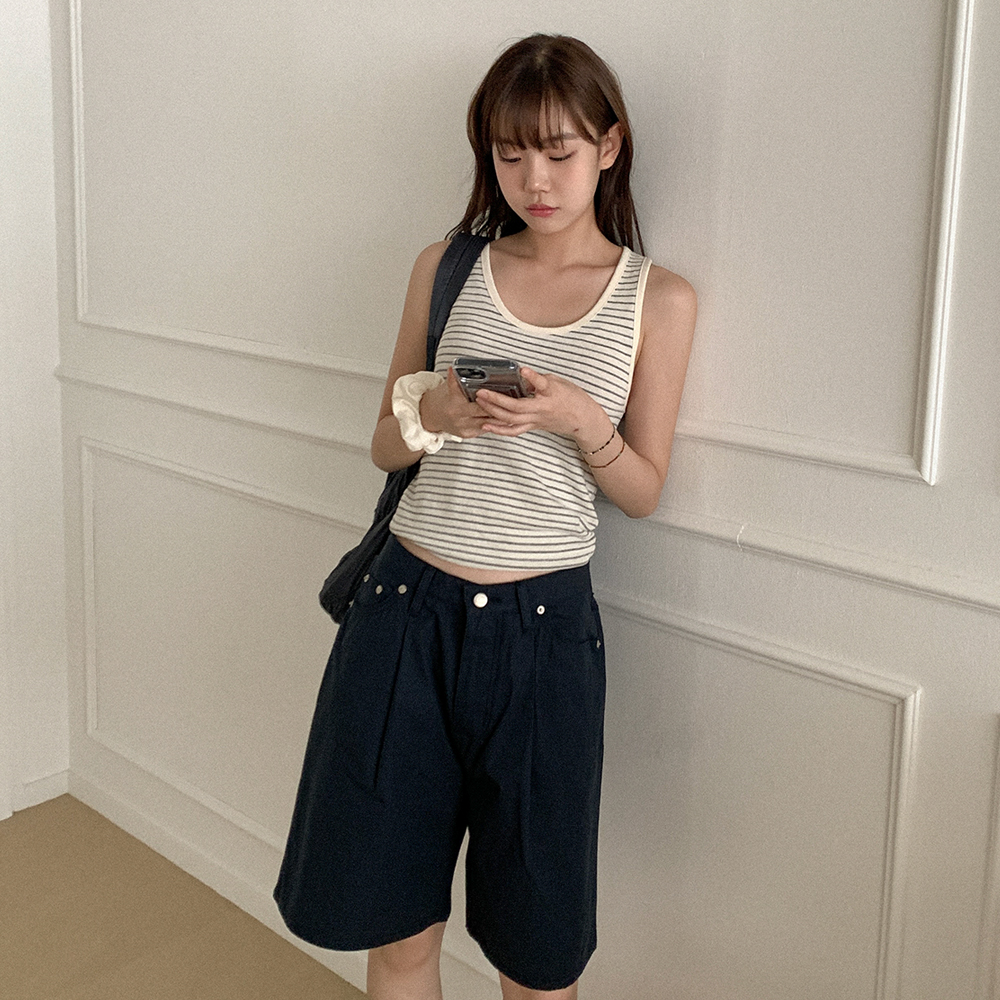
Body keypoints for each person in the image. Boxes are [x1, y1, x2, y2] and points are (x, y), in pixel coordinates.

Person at [274, 33, 696, 1000]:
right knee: (397, 934)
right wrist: (437, 412)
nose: (534, 180)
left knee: (537, 960)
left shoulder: (658, 299)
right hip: (403, 614)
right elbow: (383, 444)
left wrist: (579, 419)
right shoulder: (447, 266)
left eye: (558, 152)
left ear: (609, 146)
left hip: (543, 636)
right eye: (511, 155)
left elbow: (643, 491)